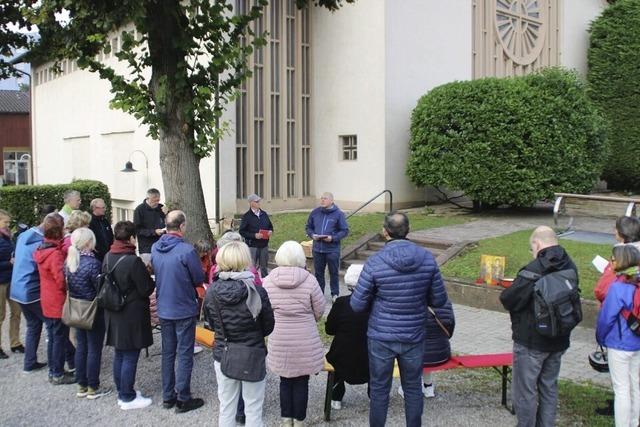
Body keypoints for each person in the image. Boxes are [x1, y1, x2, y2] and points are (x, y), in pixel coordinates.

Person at [350, 212, 448, 427]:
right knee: (413, 388)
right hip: (413, 334)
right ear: (408, 230)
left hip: (381, 336)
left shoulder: (375, 262)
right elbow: (439, 300)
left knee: (379, 389)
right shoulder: (427, 259)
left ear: (385, 232)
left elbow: (356, 304)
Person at [500, 226, 578, 427]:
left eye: (531, 248)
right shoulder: (570, 266)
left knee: (525, 392)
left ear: (537, 244)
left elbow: (509, 299)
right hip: (559, 340)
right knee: (549, 387)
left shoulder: (534, 269)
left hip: (531, 342)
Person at [204, 241, 274, 427]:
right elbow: (268, 326)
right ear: (245, 260)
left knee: (227, 407)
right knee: (253, 408)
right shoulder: (257, 291)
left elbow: (211, 323)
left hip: (224, 352)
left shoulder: (212, 291)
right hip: (252, 352)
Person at [263, 241, 325, 426]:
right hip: (304, 337)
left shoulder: (268, 280)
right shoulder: (310, 280)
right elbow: (320, 310)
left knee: (285, 380)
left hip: (279, 336)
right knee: (301, 381)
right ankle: (299, 420)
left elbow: (264, 309)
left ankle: (286, 418)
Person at [151, 210, 206, 413]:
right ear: (182, 226)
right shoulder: (186, 250)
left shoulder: (156, 248)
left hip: (164, 307)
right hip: (182, 307)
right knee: (184, 353)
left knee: (168, 352)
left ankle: (168, 396)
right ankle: (183, 397)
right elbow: (198, 277)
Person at [103, 221, 155, 410]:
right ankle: (127, 396)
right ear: (132, 238)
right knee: (131, 354)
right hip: (131, 313)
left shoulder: (108, 255)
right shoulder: (133, 261)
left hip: (113, 310)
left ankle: (122, 391)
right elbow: (146, 288)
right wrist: (148, 275)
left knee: (119, 353)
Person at [596, 244, 640, 427]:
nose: (611, 262)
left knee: (621, 389)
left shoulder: (617, 287)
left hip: (619, 344)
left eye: (612, 259)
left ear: (620, 262)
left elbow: (606, 318)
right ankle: (635, 422)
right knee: (635, 386)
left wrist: (600, 338)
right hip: (638, 343)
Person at [64, 227, 111, 399]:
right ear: (88, 243)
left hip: (76, 308)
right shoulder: (93, 264)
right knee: (94, 349)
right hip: (92, 310)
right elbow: (100, 289)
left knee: (81, 347)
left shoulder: (70, 261)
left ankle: (81, 384)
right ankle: (93, 386)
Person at [33, 213, 76, 385]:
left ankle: (54, 370)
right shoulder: (54, 254)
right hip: (57, 301)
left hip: (47, 299)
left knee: (53, 336)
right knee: (58, 338)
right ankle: (57, 372)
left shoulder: (41, 249)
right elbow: (60, 280)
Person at [325, 264, 370, 411]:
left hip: (342, 356)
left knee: (336, 355)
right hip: (370, 356)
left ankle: (336, 396)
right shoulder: (376, 302)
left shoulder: (340, 303)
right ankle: (375, 395)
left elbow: (329, 329)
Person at [10, 208, 49, 373]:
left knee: (33, 325)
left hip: (17, 289)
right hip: (31, 290)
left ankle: (29, 362)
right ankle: (69, 360)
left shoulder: (23, 235)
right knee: (54, 326)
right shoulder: (41, 244)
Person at [398, 300, 455, 399]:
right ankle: (428, 387)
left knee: (412, 352)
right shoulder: (446, 302)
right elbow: (450, 329)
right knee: (426, 352)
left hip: (418, 356)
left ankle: (407, 388)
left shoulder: (411, 303)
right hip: (441, 356)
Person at [305, 192, 349, 301]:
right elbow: (308, 227)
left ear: (331, 201)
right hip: (317, 249)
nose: (322, 200)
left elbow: (344, 231)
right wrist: (312, 235)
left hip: (332, 249)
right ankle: (319, 294)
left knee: (333, 272)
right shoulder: (315, 212)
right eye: (321, 198)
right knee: (319, 273)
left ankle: (335, 294)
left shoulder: (338, 214)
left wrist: (332, 238)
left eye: (325, 198)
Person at [594, 216, 640, 303]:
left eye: (616, 228)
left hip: (622, 306)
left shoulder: (621, 256)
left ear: (622, 232)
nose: (614, 231)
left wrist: (609, 268)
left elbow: (601, 291)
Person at [0, 209, 23, 359]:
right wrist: (8, 263)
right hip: (1, 281)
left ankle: (15, 342)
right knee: (0, 315)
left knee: (16, 311)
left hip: (11, 279)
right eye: (5, 222)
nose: (8, 225)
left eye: (9, 222)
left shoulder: (8, 237)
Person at [239, 194, 273, 278]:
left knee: (264, 267)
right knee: (252, 267)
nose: (258, 203)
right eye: (256, 201)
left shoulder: (264, 214)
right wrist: (254, 235)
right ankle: (253, 281)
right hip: (253, 246)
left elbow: (270, 226)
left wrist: (270, 231)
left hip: (264, 245)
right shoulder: (247, 216)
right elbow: (242, 231)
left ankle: (265, 283)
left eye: (259, 201)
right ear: (251, 203)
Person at [133, 188, 166, 265]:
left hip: (161, 247)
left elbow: (169, 223)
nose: (157, 203)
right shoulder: (139, 210)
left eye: (158, 200)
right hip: (147, 249)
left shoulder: (161, 208)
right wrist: (154, 232)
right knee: (148, 273)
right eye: (154, 200)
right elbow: (138, 230)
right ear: (148, 198)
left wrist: (167, 213)